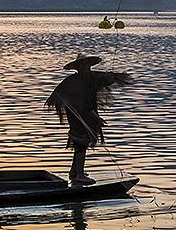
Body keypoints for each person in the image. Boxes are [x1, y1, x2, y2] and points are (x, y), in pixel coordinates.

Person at [46, 56, 133, 185]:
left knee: (80, 144)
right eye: (83, 64)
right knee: (81, 144)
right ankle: (80, 175)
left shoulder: (85, 79)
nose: (86, 66)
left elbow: (100, 81)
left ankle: (74, 171)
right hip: (80, 116)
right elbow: (84, 104)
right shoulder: (78, 81)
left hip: (78, 115)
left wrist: (109, 78)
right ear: (78, 67)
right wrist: (96, 118)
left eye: (87, 64)